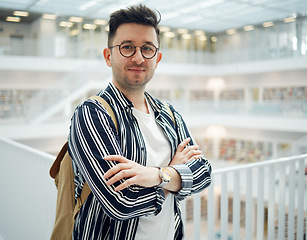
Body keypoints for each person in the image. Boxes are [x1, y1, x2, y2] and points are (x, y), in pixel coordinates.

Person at [68, 4, 212, 240]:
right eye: (127, 47)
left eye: (147, 49)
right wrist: (173, 174)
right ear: (108, 55)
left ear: (158, 58)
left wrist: (156, 175)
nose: (138, 57)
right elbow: (120, 202)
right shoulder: (92, 114)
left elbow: (204, 172)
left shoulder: (169, 115)